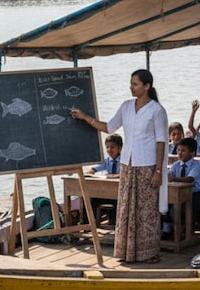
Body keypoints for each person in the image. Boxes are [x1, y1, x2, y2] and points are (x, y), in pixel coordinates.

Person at [71, 69, 167, 264]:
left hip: (147, 165)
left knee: (146, 210)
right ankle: (126, 251)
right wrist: (84, 117)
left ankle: (149, 252)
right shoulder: (126, 106)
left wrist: (158, 171)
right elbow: (108, 127)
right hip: (127, 165)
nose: (131, 87)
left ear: (146, 86)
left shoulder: (157, 110)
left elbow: (161, 142)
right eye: (131, 83)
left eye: (135, 84)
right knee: (126, 208)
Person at [163, 138, 200, 237]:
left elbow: (190, 179)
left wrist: (174, 179)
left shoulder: (197, 165)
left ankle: (184, 229)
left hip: (195, 193)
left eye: (183, 151)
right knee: (165, 203)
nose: (180, 153)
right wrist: (167, 176)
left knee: (183, 207)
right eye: (179, 150)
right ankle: (167, 228)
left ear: (192, 153)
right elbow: (169, 174)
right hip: (178, 192)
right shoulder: (176, 164)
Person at [87, 134, 123, 225]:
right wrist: (91, 172)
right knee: (91, 199)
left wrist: (116, 176)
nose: (109, 150)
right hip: (108, 193)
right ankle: (89, 223)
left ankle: (116, 225)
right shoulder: (107, 161)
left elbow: (127, 173)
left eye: (112, 147)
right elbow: (94, 169)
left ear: (119, 148)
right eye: (107, 147)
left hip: (120, 194)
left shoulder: (124, 160)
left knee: (117, 203)